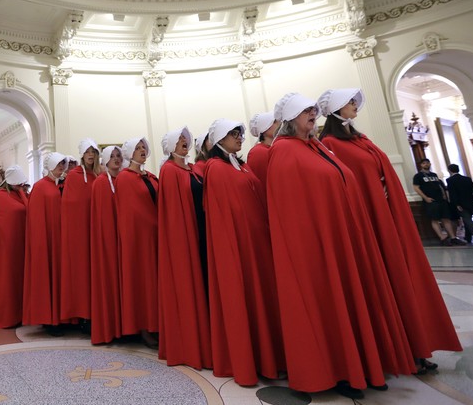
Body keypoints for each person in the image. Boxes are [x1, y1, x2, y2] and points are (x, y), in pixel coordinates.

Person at [267, 93, 415, 399]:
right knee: (330, 303)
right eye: (305, 110)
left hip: (343, 238)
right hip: (316, 248)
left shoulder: (315, 145)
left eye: (313, 110)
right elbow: (290, 209)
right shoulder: (283, 151)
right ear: (291, 117)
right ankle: (341, 370)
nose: (312, 114)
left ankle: (364, 364)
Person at [317, 88, 463, 376]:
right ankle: (400, 351)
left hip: (385, 217)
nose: (354, 105)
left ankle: (416, 346)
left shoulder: (358, 138)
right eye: (349, 103)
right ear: (336, 109)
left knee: (404, 279)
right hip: (368, 223)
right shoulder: (331, 144)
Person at [203, 119, 284, 384]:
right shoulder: (216, 168)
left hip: (258, 243)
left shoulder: (240, 164)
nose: (239, 138)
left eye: (239, 133)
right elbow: (222, 214)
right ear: (218, 140)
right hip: (241, 246)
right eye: (232, 134)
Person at [156, 127, 211, 370]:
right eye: (178, 140)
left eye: (185, 140)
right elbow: (173, 214)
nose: (183, 143)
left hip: (201, 231)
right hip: (186, 236)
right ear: (170, 146)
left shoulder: (191, 168)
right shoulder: (169, 170)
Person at [116, 137, 159, 348]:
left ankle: (157, 323)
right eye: (138, 148)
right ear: (130, 152)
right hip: (139, 239)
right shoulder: (125, 178)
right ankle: (144, 326)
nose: (143, 150)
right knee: (143, 282)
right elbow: (130, 213)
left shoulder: (148, 176)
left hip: (155, 235)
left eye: (144, 147)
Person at [22, 152, 67, 335]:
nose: (61, 168)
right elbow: (36, 218)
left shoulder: (63, 185)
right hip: (47, 239)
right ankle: (50, 319)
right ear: (50, 166)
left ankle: (62, 316)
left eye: (63, 165)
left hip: (61, 238)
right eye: (58, 165)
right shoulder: (40, 187)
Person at [60, 139, 100, 329]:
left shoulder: (101, 175)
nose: (91, 155)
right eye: (87, 152)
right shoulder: (74, 177)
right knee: (82, 272)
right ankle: (84, 315)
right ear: (82, 155)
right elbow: (70, 206)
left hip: (98, 231)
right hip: (80, 233)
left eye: (93, 152)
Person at [0, 165, 29, 329]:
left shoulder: (18, 194)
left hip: (19, 244)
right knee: (6, 281)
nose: (21, 186)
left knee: (18, 280)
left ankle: (20, 313)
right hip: (5, 247)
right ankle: (6, 315)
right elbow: (8, 217)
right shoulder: (0, 196)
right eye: (18, 184)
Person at [90, 145, 123, 345]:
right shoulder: (101, 183)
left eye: (119, 155)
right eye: (112, 156)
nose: (116, 159)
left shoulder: (124, 178)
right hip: (109, 241)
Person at [413, 158, 466, 246]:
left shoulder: (434, 175)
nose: (426, 165)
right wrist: (426, 198)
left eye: (427, 163)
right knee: (435, 219)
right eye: (424, 163)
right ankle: (442, 237)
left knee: (446, 218)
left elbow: (439, 185)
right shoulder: (418, 176)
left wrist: (444, 195)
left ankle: (453, 237)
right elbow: (416, 187)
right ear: (421, 165)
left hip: (441, 200)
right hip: (431, 200)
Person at [446, 164, 473, 245]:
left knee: (468, 221)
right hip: (470, 202)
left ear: (449, 170)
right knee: (468, 219)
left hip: (460, 204)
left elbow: (453, 193)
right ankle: (468, 237)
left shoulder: (450, 180)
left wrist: (456, 204)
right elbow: (471, 190)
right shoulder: (467, 179)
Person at [246, 112, 278, 185]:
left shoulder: (275, 148)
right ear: (265, 128)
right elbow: (263, 183)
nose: (279, 124)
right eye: (274, 122)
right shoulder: (258, 152)